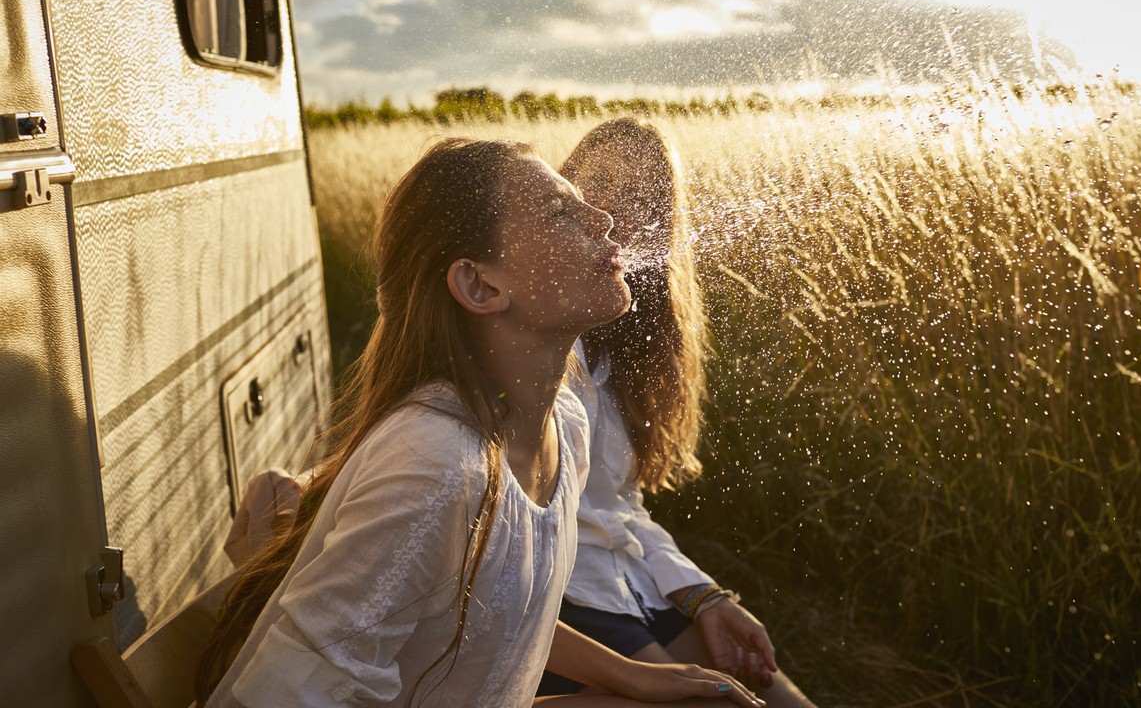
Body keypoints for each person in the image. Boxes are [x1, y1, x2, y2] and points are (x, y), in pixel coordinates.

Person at [195, 138, 763, 707]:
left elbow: (497, 612)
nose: (603, 216)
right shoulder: (439, 466)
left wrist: (631, 676)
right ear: (480, 286)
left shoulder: (565, 424)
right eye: (561, 211)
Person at [538, 119, 816, 707]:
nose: (613, 209)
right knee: (718, 700)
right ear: (563, 190)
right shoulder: (525, 334)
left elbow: (620, 506)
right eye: (599, 183)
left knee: (781, 699)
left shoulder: (632, 343)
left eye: (641, 198)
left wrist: (704, 597)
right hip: (559, 601)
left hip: (628, 584)